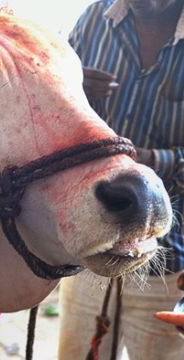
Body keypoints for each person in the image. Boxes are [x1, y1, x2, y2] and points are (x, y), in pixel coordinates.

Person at [58, 0, 184, 359]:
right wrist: (74, 85)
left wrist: (151, 161)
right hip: (92, 243)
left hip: (170, 258)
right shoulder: (97, 17)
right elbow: (53, 110)